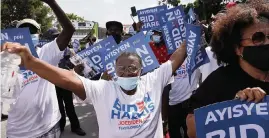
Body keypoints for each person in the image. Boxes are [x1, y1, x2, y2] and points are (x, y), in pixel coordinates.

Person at [2, 38, 187, 138]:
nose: (127, 72)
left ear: (141, 70)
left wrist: (191, 33)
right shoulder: (103, 89)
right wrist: (32, 62)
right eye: (121, 68)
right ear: (114, 71)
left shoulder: (153, 80)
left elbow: (175, 59)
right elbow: (67, 79)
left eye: (132, 68)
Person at [186, 1, 269, 138]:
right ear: (237, 48)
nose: (267, 42)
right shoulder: (218, 81)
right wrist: (234, 108)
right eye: (258, 38)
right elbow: (192, 129)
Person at [5, 0, 75, 137]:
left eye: (32, 31)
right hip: (17, 132)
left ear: (39, 34)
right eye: (24, 31)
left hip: (48, 127)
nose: (29, 34)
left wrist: (51, 2)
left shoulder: (46, 52)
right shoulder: (5, 59)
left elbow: (69, 30)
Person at [43, 28, 86, 136]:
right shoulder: (45, 52)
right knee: (58, 106)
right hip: (52, 83)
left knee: (69, 105)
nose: (56, 39)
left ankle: (75, 127)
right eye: (53, 37)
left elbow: (78, 63)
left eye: (57, 36)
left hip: (65, 82)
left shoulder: (68, 50)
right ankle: (60, 126)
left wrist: (76, 69)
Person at [168, 60, 201, 138]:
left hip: (191, 101)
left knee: (191, 132)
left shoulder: (196, 54)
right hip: (173, 102)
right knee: (174, 132)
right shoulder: (169, 57)